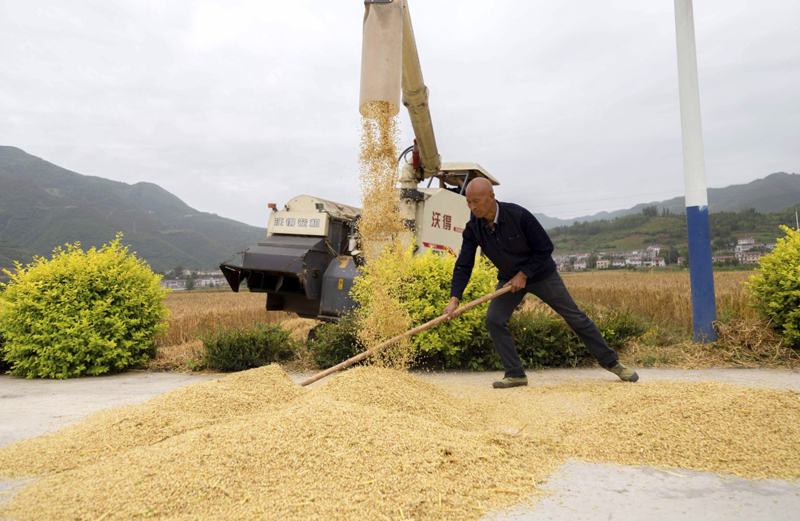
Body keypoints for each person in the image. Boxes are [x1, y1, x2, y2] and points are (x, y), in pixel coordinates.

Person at [441, 178, 639, 388]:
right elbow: (464, 264)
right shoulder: (473, 228)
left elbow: (545, 247)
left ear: (491, 197)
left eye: (476, 201)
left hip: (542, 275)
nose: (472, 207)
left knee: (575, 317)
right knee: (494, 320)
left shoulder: (518, 215)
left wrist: (524, 274)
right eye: (469, 203)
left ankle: (613, 363)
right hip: (510, 281)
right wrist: (454, 300)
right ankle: (515, 374)